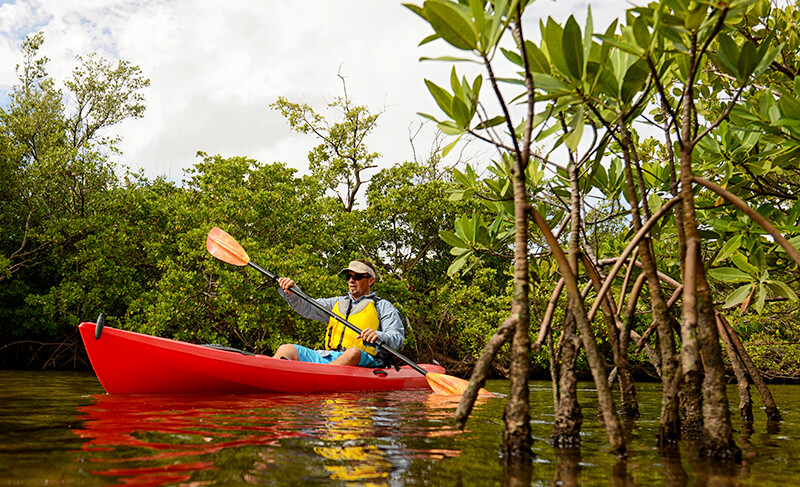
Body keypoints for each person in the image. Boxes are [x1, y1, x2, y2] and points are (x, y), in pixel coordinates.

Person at [273, 259, 404, 367]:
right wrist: (292, 291)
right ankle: (270, 374)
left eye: (357, 277)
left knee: (352, 352)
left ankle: (318, 379)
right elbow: (308, 307)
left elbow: (397, 337)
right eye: (349, 277)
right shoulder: (337, 303)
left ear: (371, 280)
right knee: (287, 349)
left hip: (364, 360)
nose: (351, 280)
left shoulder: (383, 306)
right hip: (329, 356)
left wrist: (378, 335)